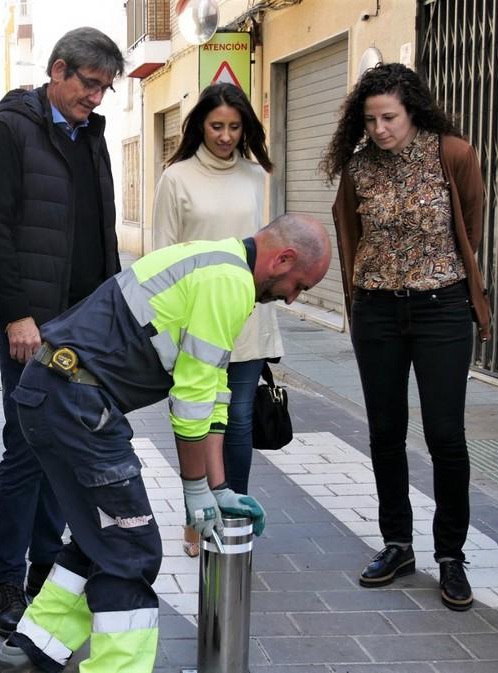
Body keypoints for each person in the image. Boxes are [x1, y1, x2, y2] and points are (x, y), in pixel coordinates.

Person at [0, 214, 332, 673]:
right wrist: (194, 489)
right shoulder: (227, 282)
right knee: (131, 548)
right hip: (75, 403)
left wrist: (218, 488)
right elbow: (190, 403)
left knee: (103, 536)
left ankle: (30, 652)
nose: (291, 298)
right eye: (299, 286)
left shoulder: (219, 264)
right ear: (283, 259)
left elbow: (212, 392)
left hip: (56, 395)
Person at [0, 26, 125, 637]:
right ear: (58, 70)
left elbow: (102, 232)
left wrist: (111, 311)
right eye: (90, 84)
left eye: (105, 88)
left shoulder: (92, 135)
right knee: (26, 445)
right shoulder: (9, 132)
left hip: (81, 323)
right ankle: (8, 580)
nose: (97, 97)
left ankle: (44, 573)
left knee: (65, 443)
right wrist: (15, 315)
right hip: (30, 324)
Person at [321, 62, 490, 612]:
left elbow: (470, 224)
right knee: (385, 432)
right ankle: (397, 544)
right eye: (370, 120)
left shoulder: (453, 154)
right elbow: (350, 234)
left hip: (443, 309)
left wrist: (436, 274)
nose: (379, 129)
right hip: (377, 311)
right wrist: (360, 301)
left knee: (445, 435)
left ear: (412, 111)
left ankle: (451, 556)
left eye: (389, 118)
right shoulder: (358, 168)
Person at [152, 83, 283, 557]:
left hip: (247, 317)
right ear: (200, 127)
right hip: (196, 321)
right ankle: (196, 514)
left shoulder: (254, 175)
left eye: (234, 127)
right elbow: (162, 254)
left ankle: (231, 515)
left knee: (240, 419)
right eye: (216, 126)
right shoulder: (176, 178)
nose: (226, 136)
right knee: (198, 416)